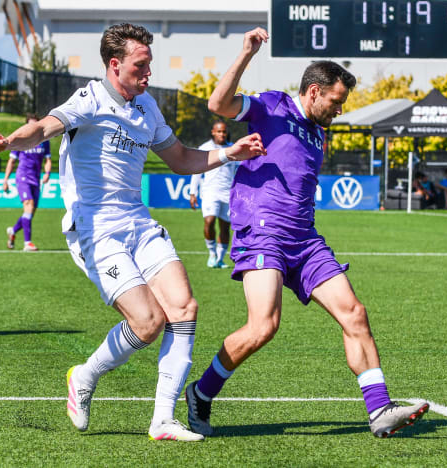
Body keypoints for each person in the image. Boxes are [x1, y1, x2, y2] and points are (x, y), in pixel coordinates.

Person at [0, 23, 265, 442]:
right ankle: (84, 375)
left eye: (149, 65)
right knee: (147, 322)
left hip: (138, 222)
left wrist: (227, 153)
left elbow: (182, 158)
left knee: (184, 308)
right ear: (115, 65)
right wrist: (8, 143)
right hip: (95, 230)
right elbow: (41, 128)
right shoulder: (89, 99)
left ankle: (163, 420)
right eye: (140, 65)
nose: (148, 73)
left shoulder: (147, 106)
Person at [184, 27, 429, 440]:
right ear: (314, 91)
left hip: (305, 238)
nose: (338, 110)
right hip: (262, 232)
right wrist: (246, 52)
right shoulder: (270, 105)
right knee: (263, 326)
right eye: (335, 102)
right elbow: (217, 103)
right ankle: (201, 392)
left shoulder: (318, 132)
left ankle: (379, 410)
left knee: (355, 313)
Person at [189, 121, 238, 268]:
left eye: (224, 131)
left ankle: (220, 259)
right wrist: (193, 192)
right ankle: (212, 254)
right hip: (210, 192)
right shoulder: (205, 148)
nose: (222, 134)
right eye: (219, 131)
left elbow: (239, 170)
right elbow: (196, 171)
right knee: (209, 222)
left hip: (228, 193)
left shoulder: (233, 148)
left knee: (225, 227)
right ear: (213, 132)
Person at [3, 114, 52, 251]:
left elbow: (48, 160)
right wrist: (5, 180)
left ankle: (13, 231)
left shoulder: (44, 141)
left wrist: (47, 173)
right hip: (23, 175)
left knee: (30, 212)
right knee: (29, 206)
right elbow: (11, 161)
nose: (32, 127)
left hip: (36, 179)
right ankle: (27, 243)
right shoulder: (20, 140)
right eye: (30, 125)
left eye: (35, 125)